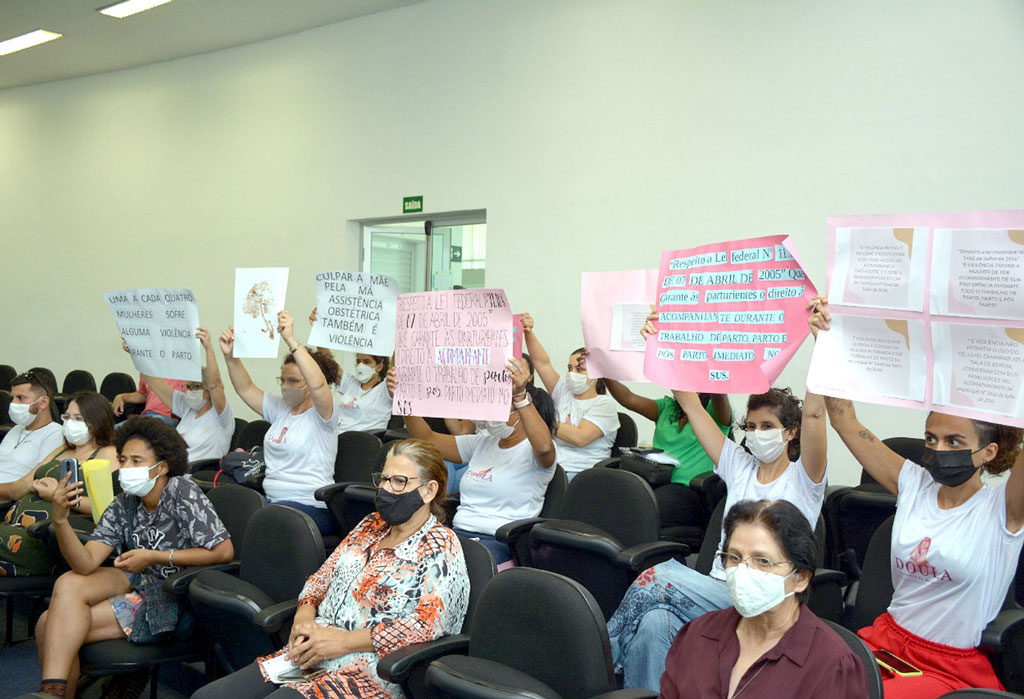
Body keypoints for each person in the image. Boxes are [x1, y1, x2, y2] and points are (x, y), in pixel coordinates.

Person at [606, 300, 829, 691]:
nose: (758, 432)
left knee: (656, 578)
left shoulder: (804, 479)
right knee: (655, 624)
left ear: (790, 432)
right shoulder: (738, 464)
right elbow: (691, 403)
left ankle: (597, 663)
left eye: (769, 426)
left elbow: (813, 415)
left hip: (767, 596)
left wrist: (823, 343)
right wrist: (663, 345)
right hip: (716, 587)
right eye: (753, 425)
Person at [813, 297, 1024, 697]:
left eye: (954, 441)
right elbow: (844, 420)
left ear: (989, 452)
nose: (939, 450)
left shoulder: (1004, 511)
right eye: (931, 439)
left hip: (946, 664)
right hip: (885, 642)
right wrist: (827, 340)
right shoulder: (914, 483)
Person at [191, 438, 470, 699]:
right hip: (314, 653)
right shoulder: (370, 526)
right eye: (384, 479)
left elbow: (425, 626)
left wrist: (344, 642)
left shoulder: (439, 545)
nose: (386, 489)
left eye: (399, 482)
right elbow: (321, 577)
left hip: (368, 672)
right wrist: (304, 614)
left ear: (428, 490)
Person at [33, 416, 233, 699]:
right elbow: (85, 563)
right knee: (68, 583)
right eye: (123, 460)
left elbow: (223, 551)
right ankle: (53, 693)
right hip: (138, 582)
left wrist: (155, 556)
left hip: (175, 596)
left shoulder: (182, 492)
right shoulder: (124, 501)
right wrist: (61, 520)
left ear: (161, 467)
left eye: (136, 461)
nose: (126, 468)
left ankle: (54, 694)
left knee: (47, 624)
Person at [659, 499, 868, 698]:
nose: (744, 571)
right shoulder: (698, 634)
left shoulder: (831, 665)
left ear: (800, 578)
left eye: (763, 561)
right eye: (735, 557)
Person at [392, 358, 557, 565]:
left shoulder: (537, 452)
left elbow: (543, 446)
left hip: (500, 543)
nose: (492, 414)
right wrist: (404, 398)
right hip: (457, 536)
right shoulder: (483, 443)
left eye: (502, 406)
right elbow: (427, 440)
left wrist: (520, 395)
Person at [221, 310, 341, 535]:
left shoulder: (324, 415)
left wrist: (291, 340)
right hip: (272, 503)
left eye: (293, 381)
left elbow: (319, 387)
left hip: (310, 508)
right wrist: (230, 357)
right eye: (283, 380)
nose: (285, 386)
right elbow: (245, 388)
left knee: (258, 518)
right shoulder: (280, 410)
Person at [0, 391, 118, 576]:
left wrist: (60, 496)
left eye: (78, 418)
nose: (70, 423)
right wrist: (32, 486)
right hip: (12, 527)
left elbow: (108, 508)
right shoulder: (62, 450)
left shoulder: (108, 453)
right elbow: (16, 489)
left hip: (45, 538)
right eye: (67, 417)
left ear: (97, 421)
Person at [604, 380, 732, 536]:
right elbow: (628, 398)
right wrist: (602, 372)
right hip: (654, 479)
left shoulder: (714, 412)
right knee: (612, 500)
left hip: (689, 491)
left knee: (641, 510)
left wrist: (714, 373)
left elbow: (719, 391)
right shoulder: (667, 407)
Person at [521, 313, 618, 479]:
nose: (572, 373)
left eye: (579, 369)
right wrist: (528, 333)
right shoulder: (563, 392)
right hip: (551, 467)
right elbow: (542, 364)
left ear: (597, 373)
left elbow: (579, 437)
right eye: (569, 368)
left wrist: (537, 421)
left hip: (581, 473)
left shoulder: (604, 404)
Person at [141, 327, 234, 462]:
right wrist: (136, 354)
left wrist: (208, 348)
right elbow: (156, 384)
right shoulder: (187, 409)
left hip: (198, 476)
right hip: (173, 470)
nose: (190, 391)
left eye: (196, 387)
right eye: (188, 387)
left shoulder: (221, 416)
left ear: (208, 391)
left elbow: (216, 384)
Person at [308, 308, 394, 434]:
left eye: (367, 362)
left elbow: (396, 367)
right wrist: (318, 329)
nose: (360, 365)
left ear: (379, 367)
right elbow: (328, 362)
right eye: (358, 361)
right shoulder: (350, 384)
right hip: (338, 439)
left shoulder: (384, 389)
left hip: (365, 444)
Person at [0, 371, 64, 496]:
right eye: (12, 398)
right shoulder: (16, 429)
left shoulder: (55, 435)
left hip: (10, 504)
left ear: (43, 402)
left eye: (21, 398)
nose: (14, 404)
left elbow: (37, 483)